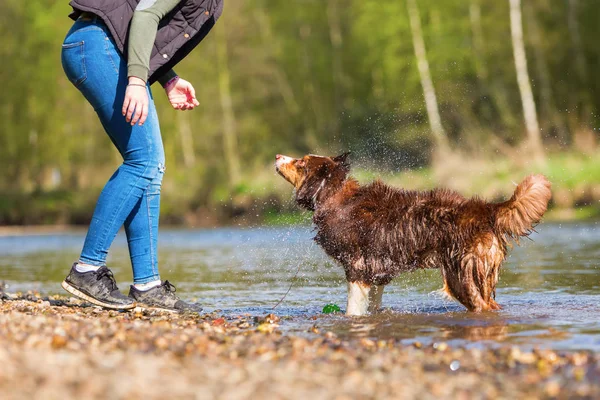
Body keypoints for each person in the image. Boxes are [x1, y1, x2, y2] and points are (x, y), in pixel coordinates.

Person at [60, 0, 223, 312]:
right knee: (144, 161)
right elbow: (146, 13)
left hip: (105, 47)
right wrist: (136, 80)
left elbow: (138, 23)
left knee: (151, 166)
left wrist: (168, 77)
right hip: (96, 45)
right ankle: (86, 269)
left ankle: (147, 284)